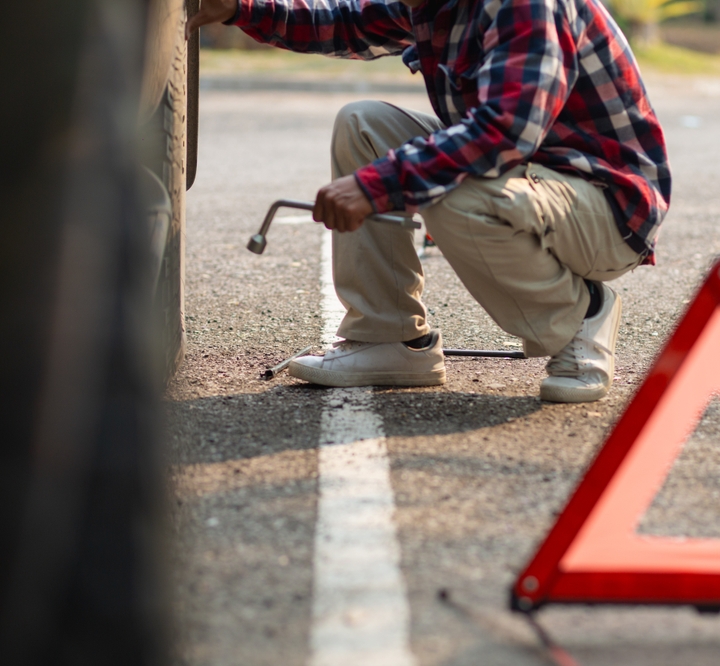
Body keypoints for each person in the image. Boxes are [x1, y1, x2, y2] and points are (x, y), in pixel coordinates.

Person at [187, 0, 671, 403]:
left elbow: (505, 131)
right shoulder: (430, 4)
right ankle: (390, 338)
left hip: (603, 204)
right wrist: (240, 8)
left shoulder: (524, 5)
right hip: (528, 178)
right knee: (364, 124)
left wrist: (377, 185)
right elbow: (348, 25)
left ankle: (581, 314)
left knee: (450, 185)